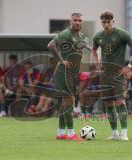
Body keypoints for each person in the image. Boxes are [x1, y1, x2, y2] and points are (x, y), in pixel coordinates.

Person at [92, 11, 132, 140]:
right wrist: (97, 62)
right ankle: (114, 133)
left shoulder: (121, 34)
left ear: (113, 21)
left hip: (119, 74)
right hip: (105, 75)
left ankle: (124, 134)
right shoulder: (98, 36)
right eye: (104, 22)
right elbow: (93, 49)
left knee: (120, 102)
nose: (106, 24)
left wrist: (129, 66)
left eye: (109, 22)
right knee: (109, 104)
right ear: (101, 22)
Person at [47, 12, 85, 141]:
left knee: (65, 103)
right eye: (75, 20)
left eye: (80, 20)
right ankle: (71, 134)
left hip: (72, 74)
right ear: (71, 21)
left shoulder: (80, 36)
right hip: (63, 72)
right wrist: (61, 60)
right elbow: (51, 45)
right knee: (69, 101)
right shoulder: (66, 33)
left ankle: (60, 133)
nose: (77, 22)